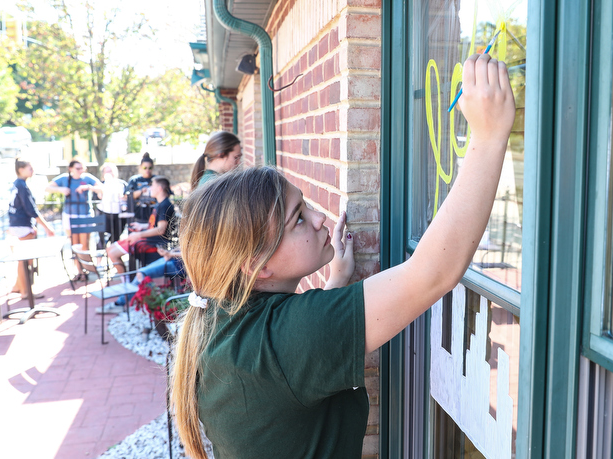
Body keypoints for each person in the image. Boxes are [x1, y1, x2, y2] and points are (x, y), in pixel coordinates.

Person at [171, 53, 515, 458]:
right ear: (256, 266)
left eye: (306, 205)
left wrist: (336, 284)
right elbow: (432, 274)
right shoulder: (284, 340)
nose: (320, 219)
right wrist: (489, 137)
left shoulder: (224, 319)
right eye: (298, 218)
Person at [107, 176, 176, 275]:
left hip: (154, 242)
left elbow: (161, 229)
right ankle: (126, 279)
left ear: (159, 188)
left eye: (152, 185)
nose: (150, 188)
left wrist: (138, 235)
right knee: (110, 249)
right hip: (149, 239)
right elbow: (155, 224)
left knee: (112, 253)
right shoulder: (160, 204)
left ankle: (126, 281)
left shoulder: (165, 205)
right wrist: (142, 226)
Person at [46, 158, 101, 279]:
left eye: (82, 168)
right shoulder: (65, 178)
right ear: (71, 169)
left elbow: (101, 188)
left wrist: (89, 188)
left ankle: (87, 269)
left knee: (85, 244)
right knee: (75, 244)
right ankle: (79, 271)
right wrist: (61, 190)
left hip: (85, 214)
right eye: (78, 168)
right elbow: (48, 187)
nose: (81, 170)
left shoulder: (87, 178)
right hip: (70, 215)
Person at [8, 158, 56, 299]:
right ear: (21, 169)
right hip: (22, 225)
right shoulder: (22, 185)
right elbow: (31, 210)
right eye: (30, 168)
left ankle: (18, 286)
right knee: (25, 260)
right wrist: (47, 227)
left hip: (16, 224)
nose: (32, 170)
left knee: (23, 259)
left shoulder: (17, 184)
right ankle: (25, 291)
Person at [96, 163, 127, 247]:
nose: (110, 173)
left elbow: (126, 197)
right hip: (104, 214)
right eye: (107, 171)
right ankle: (100, 259)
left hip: (118, 215)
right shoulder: (100, 184)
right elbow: (97, 198)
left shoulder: (122, 184)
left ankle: (113, 257)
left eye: (111, 171)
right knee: (102, 240)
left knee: (116, 239)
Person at [125, 153, 157, 224]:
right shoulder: (134, 180)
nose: (147, 170)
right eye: (145, 168)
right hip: (138, 215)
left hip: (154, 214)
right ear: (140, 167)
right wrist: (141, 191)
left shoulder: (157, 180)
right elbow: (127, 196)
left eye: (150, 168)